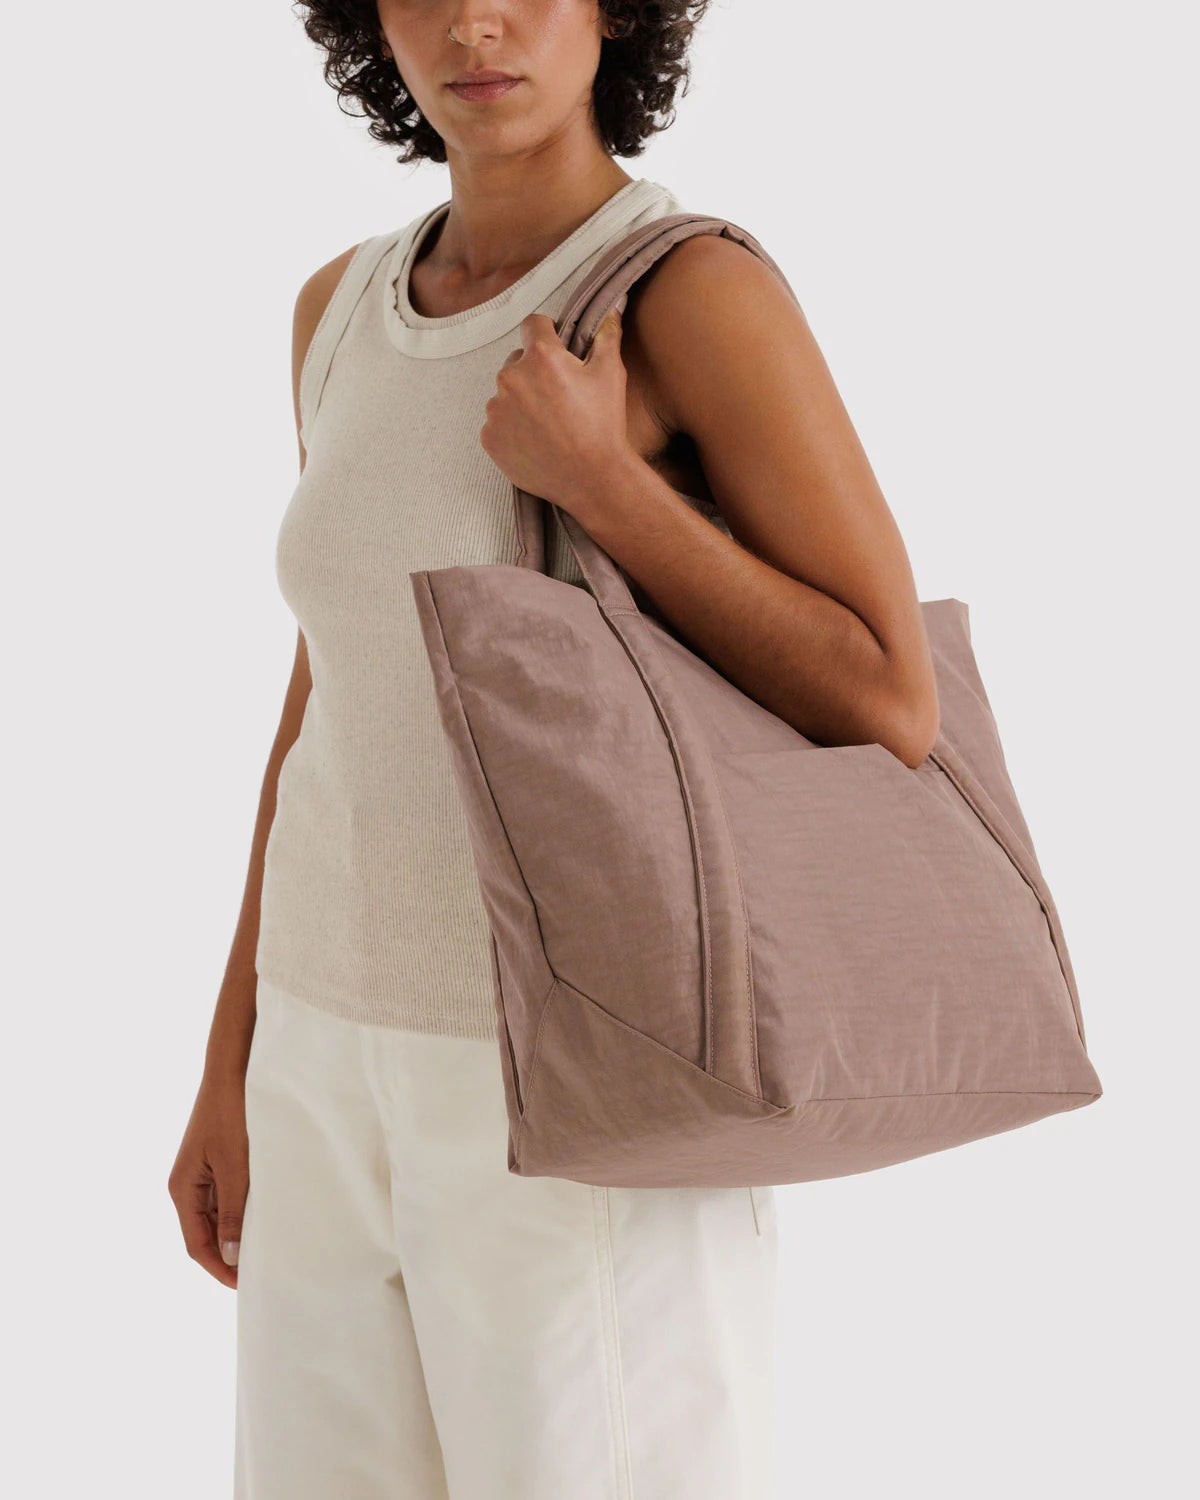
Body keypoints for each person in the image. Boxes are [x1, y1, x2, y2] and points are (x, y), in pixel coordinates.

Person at [167, 3, 940, 1496]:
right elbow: (331, 688)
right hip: (322, 1062)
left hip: (579, 1071)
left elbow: (888, 697)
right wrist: (234, 1055)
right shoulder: (337, 308)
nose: (475, 21)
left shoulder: (688, 291)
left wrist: (606, 483)